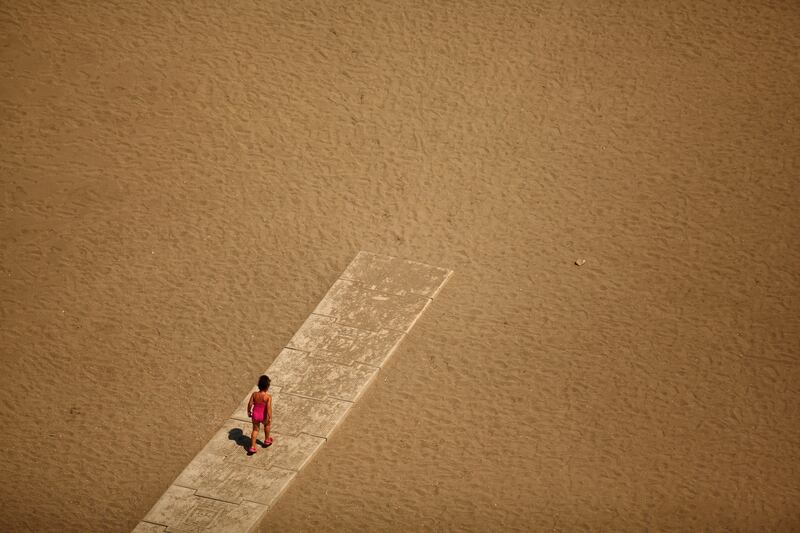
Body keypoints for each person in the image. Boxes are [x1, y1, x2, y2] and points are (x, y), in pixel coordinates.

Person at [247, 375, 273, 454]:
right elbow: (268, 408)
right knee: (267, 425)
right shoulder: (268, 397)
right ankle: (267, 440)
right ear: (267, 386)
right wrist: (270, 417)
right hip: (264, 415)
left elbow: (250, 404)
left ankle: (252, 447)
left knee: (255, 430)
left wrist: (249, 411)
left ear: (259, 385)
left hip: (255, 415)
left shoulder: (254, 394)